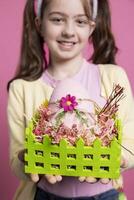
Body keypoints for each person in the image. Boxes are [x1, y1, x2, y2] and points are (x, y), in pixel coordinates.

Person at [7, 0, 134, 200]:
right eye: (57, 19)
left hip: (105, 194)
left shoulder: (113, 78)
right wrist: (30, 155)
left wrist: (119, 158)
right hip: (45, 195)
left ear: (92, 27)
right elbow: (16, 161)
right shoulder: (22, 88)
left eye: (80, 22)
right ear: (39, 24)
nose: (68, 31)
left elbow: (130, 141)